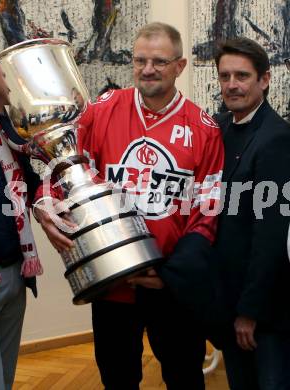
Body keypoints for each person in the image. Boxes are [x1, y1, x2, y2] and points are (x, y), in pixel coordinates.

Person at [35, 22, 224, 390]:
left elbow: (208, 211)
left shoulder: (204, 129)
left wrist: (171, 273)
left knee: (184, 375)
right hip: (112, 280)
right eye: (140, 60)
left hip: (168, 284)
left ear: (180, 66)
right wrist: (47, 202)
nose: (148, 69)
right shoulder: (102, 110)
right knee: (117, 375)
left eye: (159, 61)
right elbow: (65, 164)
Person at [213, 37, 290, 390]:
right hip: (230, 297)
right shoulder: (220, 128)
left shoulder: (277, 138)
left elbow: (270, 235)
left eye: (242, 76)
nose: (232, 84)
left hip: (264, 309)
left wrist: (250, 311)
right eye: (225, 75)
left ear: (265, 79)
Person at [0, 61, 43, 390]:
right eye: (4, 73)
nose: (11, 81)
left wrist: (49, 206)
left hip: (15, 273)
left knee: (3, 380)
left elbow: (30, 183)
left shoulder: (4, 129)